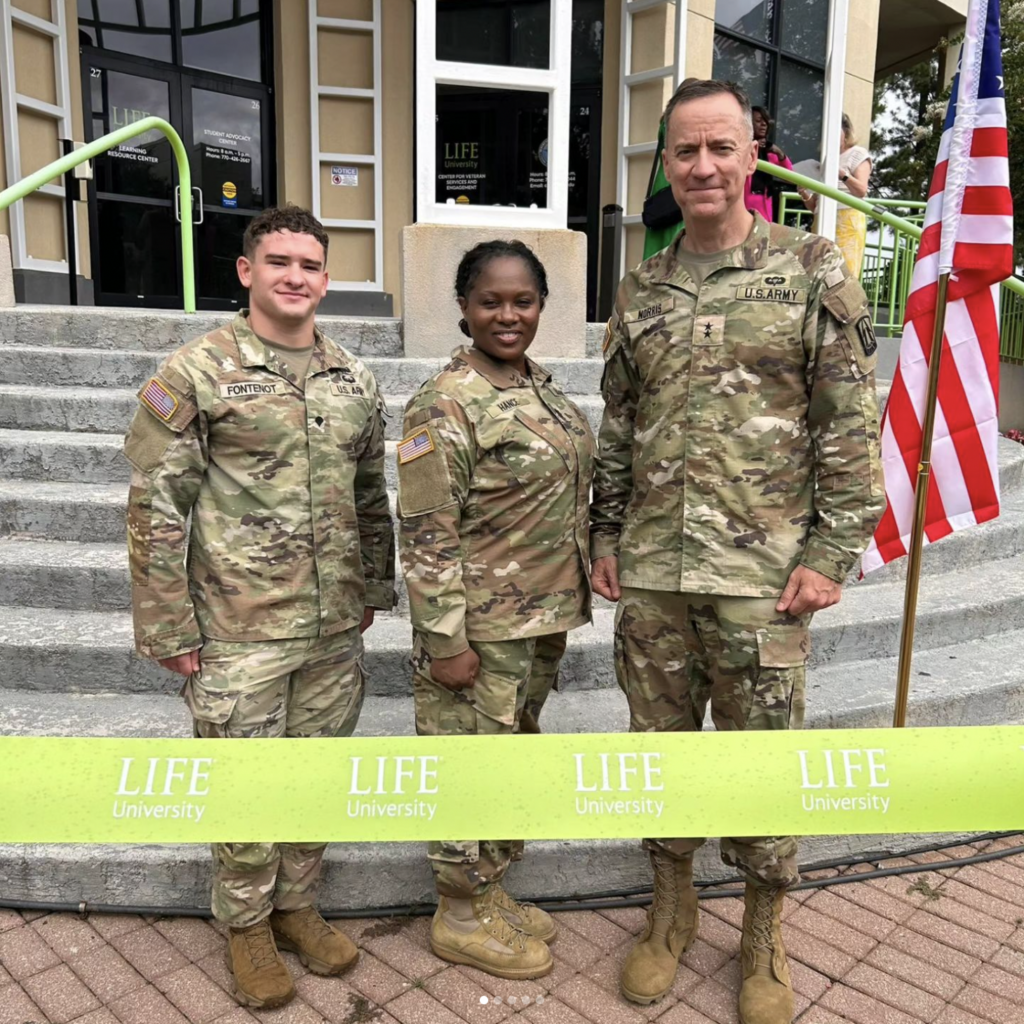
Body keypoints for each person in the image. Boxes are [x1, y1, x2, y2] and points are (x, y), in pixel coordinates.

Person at [591, 79, 883, 1022]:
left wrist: (834, 552)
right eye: (686, 152)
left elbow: (848, 426)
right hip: (655, 580)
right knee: (660, 757)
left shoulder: (808, 270)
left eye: (721, 148)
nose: (704, 167)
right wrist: (604, 534)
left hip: (765, 581)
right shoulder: (642, 288)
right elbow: (619, 429)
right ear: (666, 165)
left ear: (752, 155)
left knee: (762, 761)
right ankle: (669, 911)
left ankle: (762, 933)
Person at [124, 205, 395, 1011]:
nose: (295, 277)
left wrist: (373, 590)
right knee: (245, 785)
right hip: (235, 628)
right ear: (247, 271)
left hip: (331, 626)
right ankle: (245, 924)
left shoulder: (353, 376)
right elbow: (153, 504)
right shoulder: (194, 372)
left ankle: (296, 905)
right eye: (279, 262)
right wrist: (168, 626)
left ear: (326, 278)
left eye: (310, 265)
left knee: (312, 777)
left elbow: (370, 496)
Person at [396, 240, 595, 980]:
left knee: (506, 764)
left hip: (538, 623)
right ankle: (456, 912)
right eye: (491, 301)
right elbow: (425, 529)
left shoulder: (538, 387)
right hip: (479, 631)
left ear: (542, 305)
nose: (507, 314)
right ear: (464, 307)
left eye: (523, 301)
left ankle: (489, 888)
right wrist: (445, 641)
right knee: (467, 769)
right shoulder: (444, 402)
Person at [799, 112, 872, 276]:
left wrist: (842, 174)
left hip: (847, 217)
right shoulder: (825, 160)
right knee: (817, 271)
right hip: (822, 217)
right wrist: (804, 194)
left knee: (844, 272)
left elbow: (861, 190)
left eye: (835, 131)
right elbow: (814, 206)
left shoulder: (857, 153)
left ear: (846, 132)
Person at [744, 106, 792, 222]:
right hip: (745, 204)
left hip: (765, 204)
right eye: (758, 121)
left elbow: (790, 177)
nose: (764, 124)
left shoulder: (769, 152)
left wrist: (780, 153)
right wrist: (752, 146)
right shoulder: (742, 147)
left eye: (765, 121)